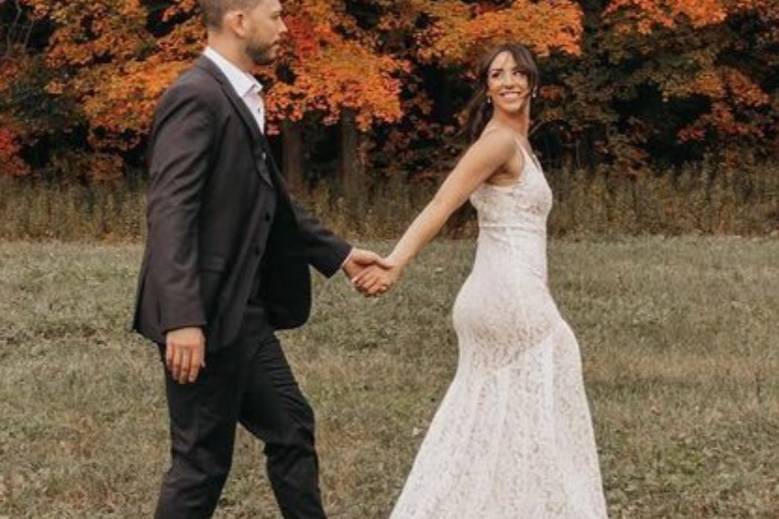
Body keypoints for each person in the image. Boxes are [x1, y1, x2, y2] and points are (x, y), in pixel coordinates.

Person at [131, 0, 386, 517]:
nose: (285, 27)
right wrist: (182, 318)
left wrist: (337, 254)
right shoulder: (195, 95)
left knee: (291, 429)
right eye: (276, 15)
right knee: (201, 463)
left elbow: (270, 197)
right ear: (239, 21)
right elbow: (171, 211)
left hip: (244, 313)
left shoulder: (240, 94)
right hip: (202, 315)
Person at [354, 43, 609, 518]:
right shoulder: (496, 142)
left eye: (517, 73)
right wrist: (396, 261)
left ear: (533, 82)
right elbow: (441, 204)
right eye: (497, 75)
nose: (508, 81)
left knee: (489, 417)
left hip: (511, 291)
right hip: (506, 296)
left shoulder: (517, 142)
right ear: (487, 88)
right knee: (540, 405)